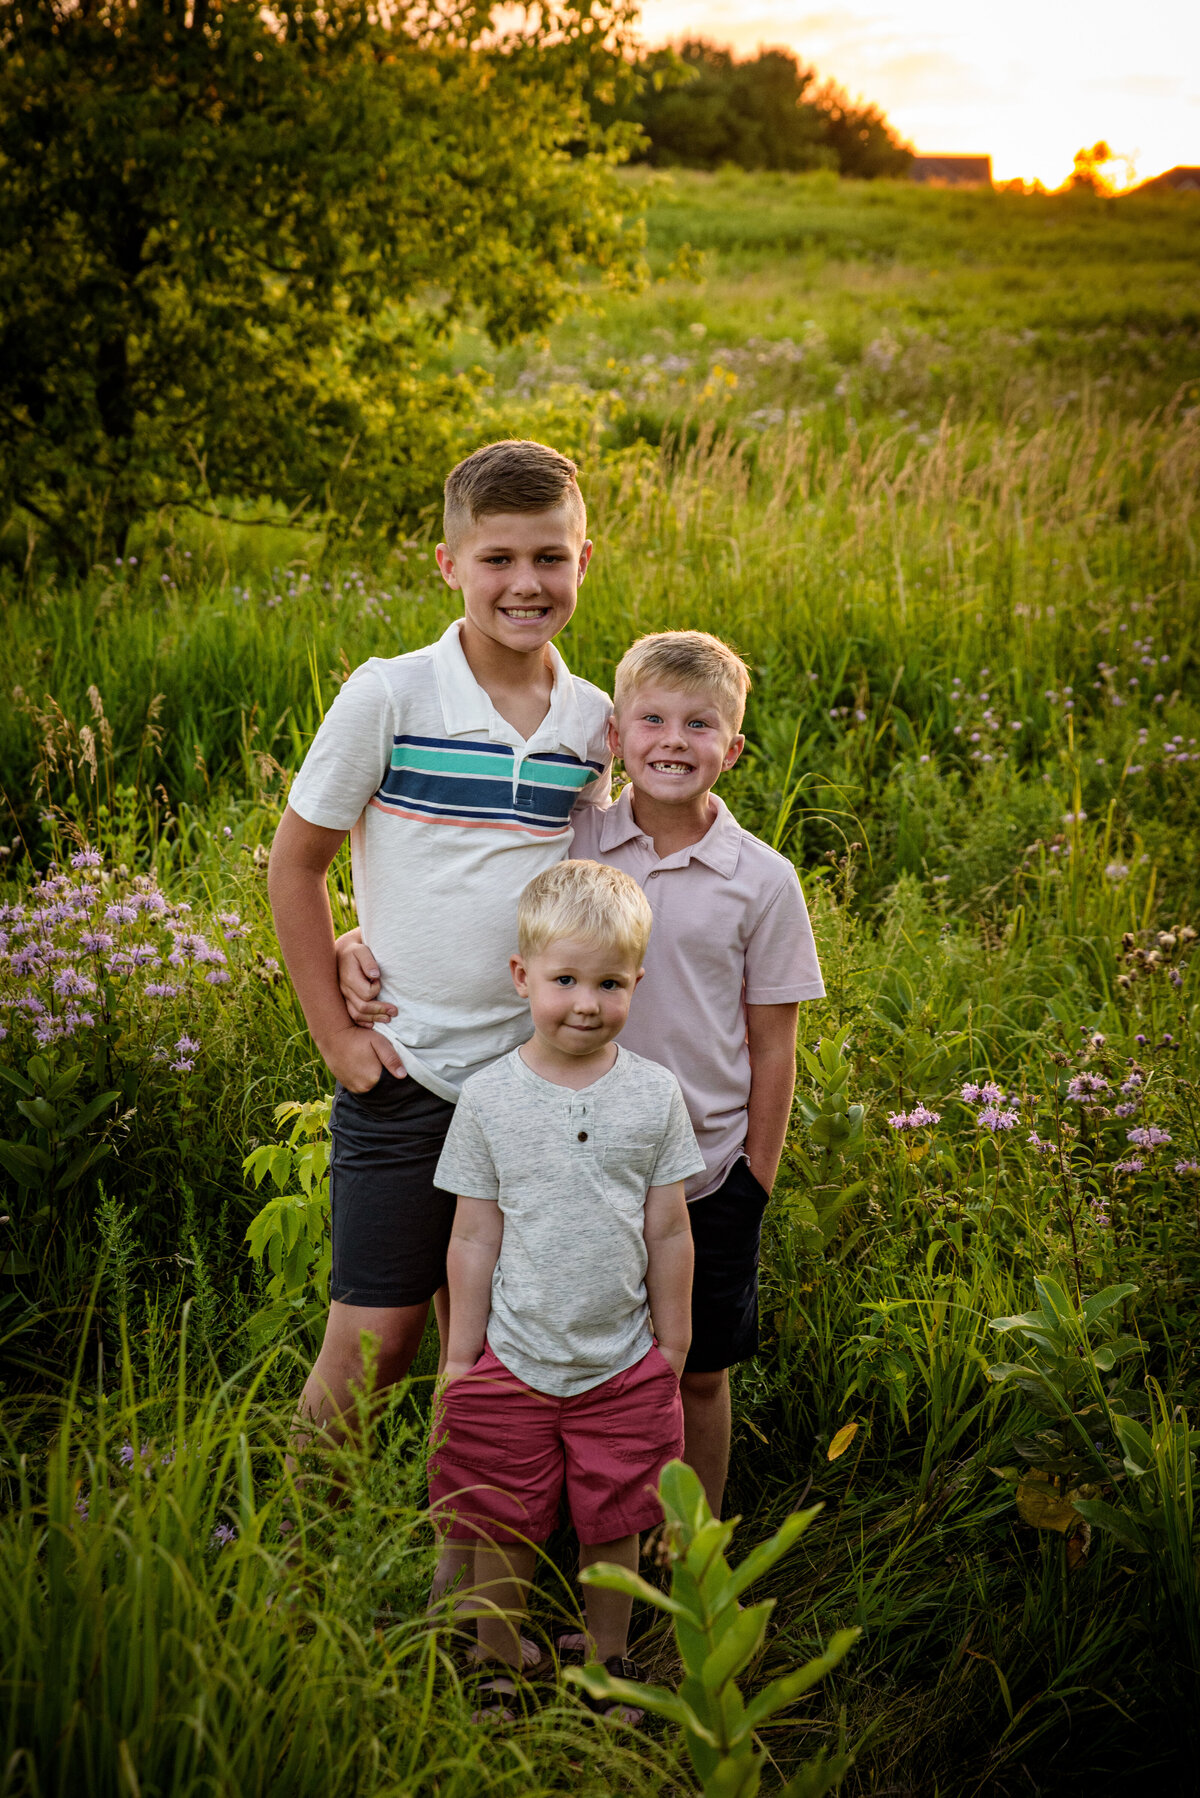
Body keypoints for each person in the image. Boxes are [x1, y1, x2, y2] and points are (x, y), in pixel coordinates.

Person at [339, 629, 825, 1518]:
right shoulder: (576, 840)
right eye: (651, 719)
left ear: (735, 747)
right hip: (565, 1162)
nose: (674, 741)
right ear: (614, 738)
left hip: (706, 1172)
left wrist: (756, 1176)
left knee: (695, 1371)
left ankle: (687, 1559)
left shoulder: (764, 880)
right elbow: (470, 895)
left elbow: (773, 1045)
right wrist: (355, 940)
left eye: (700, 725)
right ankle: (557, 1534)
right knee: (560, 1360)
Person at [267, 440, 612, 1510]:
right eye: (497, 557)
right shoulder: (392, 694)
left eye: (548, 557)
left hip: (535, 1089)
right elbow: (297, 863)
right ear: (447, 563)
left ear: (583, 561)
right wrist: (339, 1034)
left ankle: (482, 1550)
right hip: (406, 1071)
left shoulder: (594, 723)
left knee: (512, 1341)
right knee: (378, 1335)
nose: (524, 582)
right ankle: (297, 1548)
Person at [428, 860, 703, 1715]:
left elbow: (667, 1229)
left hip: (621, 1362)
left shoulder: (656, 1098)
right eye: (565, 980)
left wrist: (675, 1343)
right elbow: (474, 1234)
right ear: (524, 978)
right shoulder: (488, 1099)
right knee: (497, 1521)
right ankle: (497, 1663)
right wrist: (460, 1353)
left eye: (610, 983)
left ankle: (610, 1662)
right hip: (513, 1356)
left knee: (615, 1522)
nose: (586, 1002)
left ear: (637, 984)